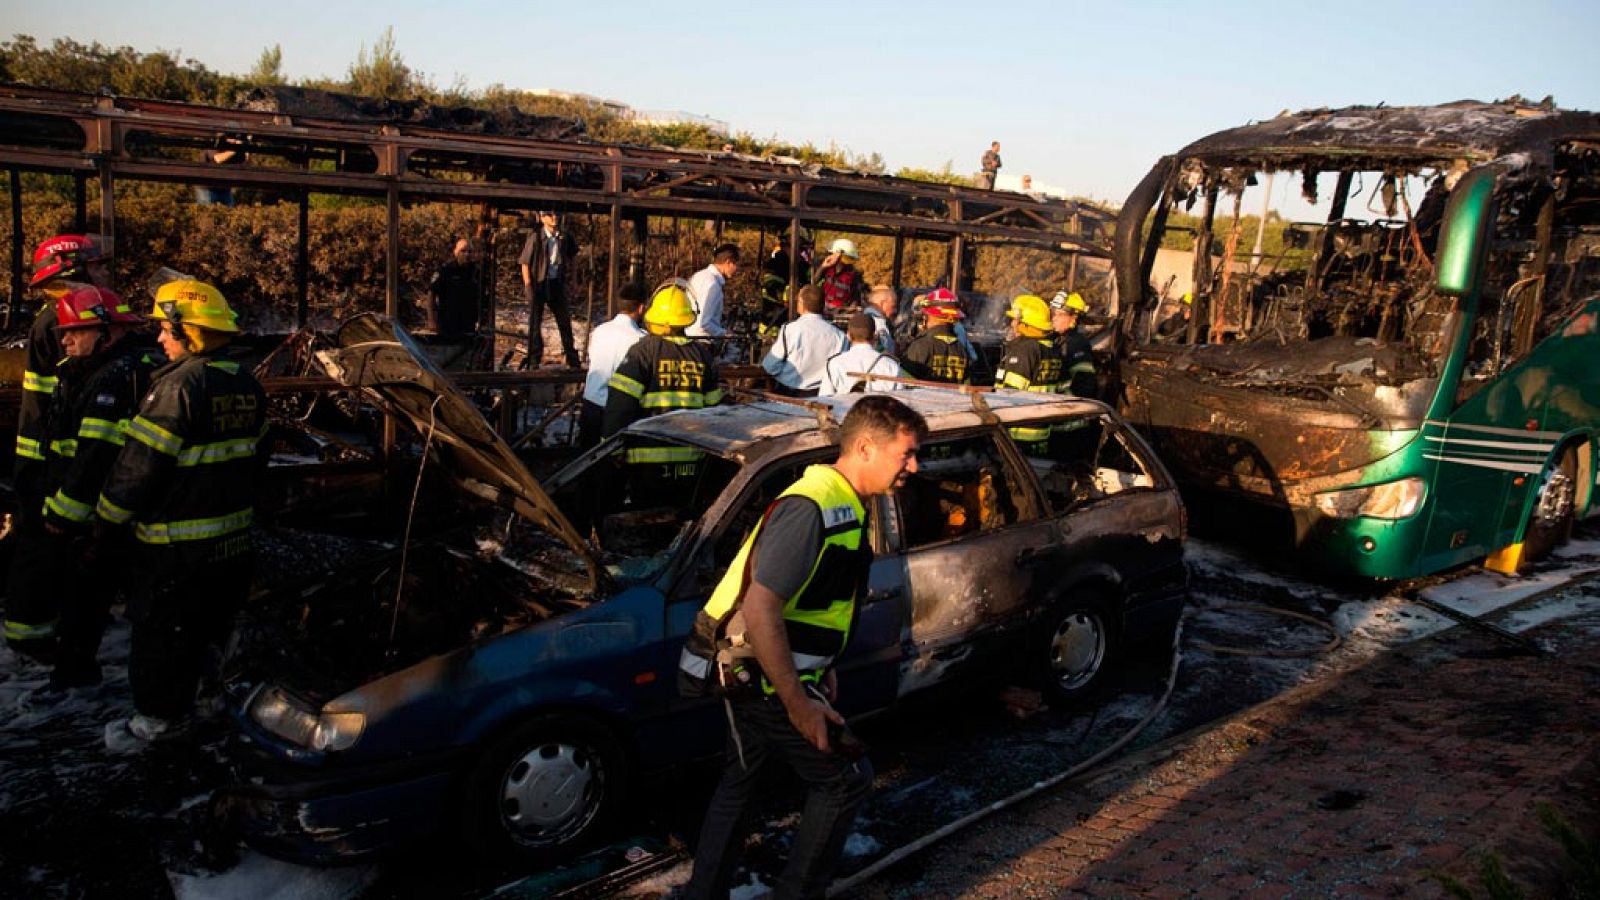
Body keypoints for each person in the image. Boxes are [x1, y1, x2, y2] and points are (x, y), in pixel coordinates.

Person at [678, 395, 928, 900]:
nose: (914, 467)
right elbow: (762, 607)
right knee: (844, 780)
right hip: (754, 671)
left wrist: (819, 666)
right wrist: (798, 702)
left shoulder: (841, 501)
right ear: (864, 447)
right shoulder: (813, 507)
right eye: (906, 454)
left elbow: (810, 600)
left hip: (752, 665)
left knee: (741, 782)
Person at [95, 279, 267, 741]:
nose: (159, 339)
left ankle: (157, 723)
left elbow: (136, 470)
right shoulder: (245, 383)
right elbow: (258, 465)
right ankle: (211, 705)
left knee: (162, 639)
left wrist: (105, 523)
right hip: (230, 548)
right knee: (213, 633)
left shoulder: (177, 388)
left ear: (189, 331)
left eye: (166, 330)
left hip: (174, 551)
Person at [6, 287, 154, 687]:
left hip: (100, 515)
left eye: (76, 332)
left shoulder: (115, 379)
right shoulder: (92, 371)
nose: (65, 340)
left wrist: (63, 517)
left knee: (87, 598)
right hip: (97, 512)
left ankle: (75, 678)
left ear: (108, 332)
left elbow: (94, 459)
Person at [5, 234, 111, 661]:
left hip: (45, 455)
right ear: (72, 269)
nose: (104, 271)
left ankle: (37, 631)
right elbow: (66, 399)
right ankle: (31, 638)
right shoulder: (61, 323)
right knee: (42, 546)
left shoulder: (53, 317)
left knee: (46, 546)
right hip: (50, 459)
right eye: (97, 266)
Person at [604, 283, 723, 503]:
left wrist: (611, 447)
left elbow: (620, 405)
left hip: (646, 464)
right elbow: (715, 412)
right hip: (691, 461)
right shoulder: (702, 356)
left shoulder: (643, 352)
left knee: (647, 519)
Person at [996, 294, 1067, 455]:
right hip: (1041, 432)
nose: (1013, 324)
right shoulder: (1052, 349)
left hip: (1016, 435)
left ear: (1027, 324)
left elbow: (1008, 395)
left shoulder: (1025, 350)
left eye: (1016, 320)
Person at [579, 284, 646, 448]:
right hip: (617, 411)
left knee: (586, 462)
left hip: (590, 405)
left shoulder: (599, 331)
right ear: (642, 308)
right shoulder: (640, 340)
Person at [518, 211, 581, 367]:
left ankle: (572, 357)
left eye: (556, 214)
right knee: (535, 322)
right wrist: (528, 285)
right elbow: (524, 263)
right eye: (549, 215)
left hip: (556, 283)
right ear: (542, 218)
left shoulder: (564, 237)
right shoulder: (536, 238)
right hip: (539, 283)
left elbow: (573, 258)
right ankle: (534, 359)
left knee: (564, 321)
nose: (554, 217)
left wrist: (574, 280)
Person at [762, 286, 847, 397]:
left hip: (789, 392)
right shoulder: (839, 335)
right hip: (822, 395)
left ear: (801, 304)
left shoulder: (790, 329)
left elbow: (771, 365)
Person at [820, 313, 903, 396]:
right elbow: (900, 399)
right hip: (881, 408)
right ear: (874, 336)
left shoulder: (834, 363)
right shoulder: (891, 365)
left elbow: (825, 399)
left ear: (848, 336)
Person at [900, 298, 971, 384]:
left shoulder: (920, 345)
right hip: (952, 397)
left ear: (931, 316)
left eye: (924, 315)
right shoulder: (961, 348)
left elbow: (904, 382)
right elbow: (967, 385)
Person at [428, 237, 482, 338]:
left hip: (468, 324)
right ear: (456, 252)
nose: (467, 254)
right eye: (463, 251)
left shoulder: (476, 272)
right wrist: (431, 319)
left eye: (469, 251)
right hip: (447, 323)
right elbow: (431, 294)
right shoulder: (446, 270)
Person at [1050, 291, 1098, 398]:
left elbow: (1084, 386)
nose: (1054, 318)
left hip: (1065, 406)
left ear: (1073, 319)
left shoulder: (1077, 344)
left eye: (1060, 314)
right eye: (1054, 313)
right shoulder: (1057, 339)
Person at [688, 243, 741, 339]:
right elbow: (704, 323)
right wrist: (725, 333)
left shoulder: (698, 275)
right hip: (700, 340)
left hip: (688, 335)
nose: (737, 269)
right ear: (728, 262)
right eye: (736, 264)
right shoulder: (713, 285)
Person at [814, 239, 865, 312]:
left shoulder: (853, 275)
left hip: (840, 313)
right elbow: (813, 282)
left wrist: (847, 311)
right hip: (822, 309)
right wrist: (823, 266)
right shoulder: (826, 268)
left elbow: (855, 298)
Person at [863, 284, 898, 355]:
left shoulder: (866, 319)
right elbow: (881, 352)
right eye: (893, 306)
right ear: (882, 304)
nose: (895, 311)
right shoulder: (876, 323)